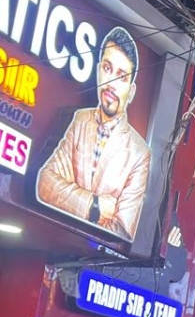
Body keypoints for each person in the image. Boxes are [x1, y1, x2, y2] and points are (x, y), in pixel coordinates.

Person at [36, 26, 152, 242]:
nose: (111, 84)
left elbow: (122, 231)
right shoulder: (81, 119)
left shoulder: (139, 152)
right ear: (98, 71)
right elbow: (45, 183)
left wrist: (66, 194)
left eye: (121, 76)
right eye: (107, 68)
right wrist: (94, 206)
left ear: (132, 91)